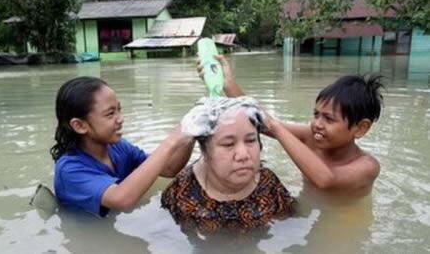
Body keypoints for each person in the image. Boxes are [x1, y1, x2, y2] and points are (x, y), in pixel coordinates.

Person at [198, 56, 384, 198]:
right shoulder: (311, 136)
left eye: (329, 119)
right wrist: (227, 84)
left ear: (361, 128)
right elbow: (263, 125)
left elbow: (326, 180)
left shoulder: (367, 166)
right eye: (316, 114)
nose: (317, 124)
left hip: (344, 223)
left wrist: (276, 128)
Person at [51, 76, 195, 217]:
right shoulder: (69, 170)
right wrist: (171, 142)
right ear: (80, 125)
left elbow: (169, 169)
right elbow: (121, 199)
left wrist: (192, 133)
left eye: (119, 110)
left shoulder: (118, 146)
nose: (121, 119)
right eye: (110, 113)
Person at [161, 97, 295, 233]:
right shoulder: (182, 193)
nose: (243, 155)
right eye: (228, 144)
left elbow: (288, 230)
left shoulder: (269, 186)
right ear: (204, 151)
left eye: (250, 140)